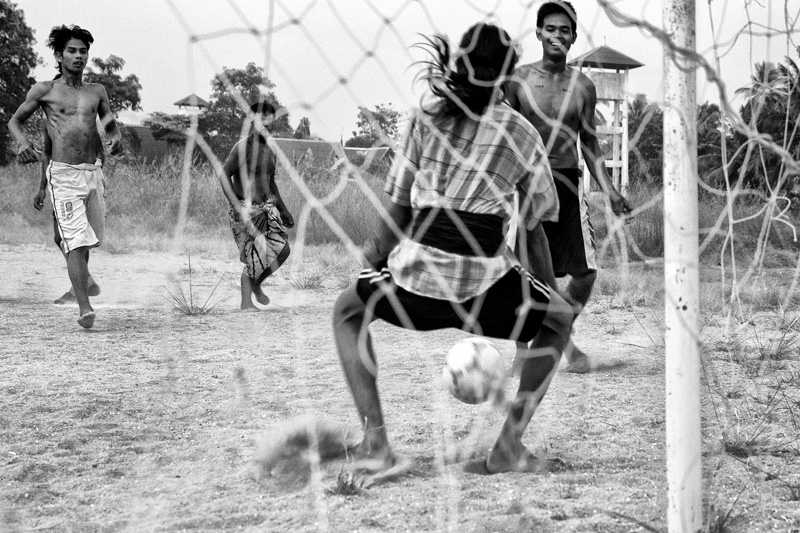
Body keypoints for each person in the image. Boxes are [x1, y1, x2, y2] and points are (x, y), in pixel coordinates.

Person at [332, 22, 573, 476]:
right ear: (508, 78)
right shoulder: (522, 133)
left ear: (458, 66)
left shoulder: (426, 118)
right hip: (487, 289)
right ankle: (508, 447)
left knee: (347, 311)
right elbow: (535, 227)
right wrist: (550, 297)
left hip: (416, 283)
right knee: (559, 320)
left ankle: (376, 442)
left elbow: (397, 217)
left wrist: (370, 264)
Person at [506, 1, 633, 373]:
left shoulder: (583, 86)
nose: (557, 35)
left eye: (565, 30)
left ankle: (558, 337)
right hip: (525, 187)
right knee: (524, 274)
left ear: (574, 36)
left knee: (585, 274)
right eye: (551, 28)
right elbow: (503, 133)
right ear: (539, 32)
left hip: (566, 183)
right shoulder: (518, 80)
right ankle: (524, 351)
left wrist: (608, 190)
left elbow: (590, 143)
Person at [8, 24, 122, 329]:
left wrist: (115, 137)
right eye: (71, 50)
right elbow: (15, 121)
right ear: (59, 55)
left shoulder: (97, 92)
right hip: (63, 175)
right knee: (72, 240)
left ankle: (82, 284)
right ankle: (84, 307)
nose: (78, 56)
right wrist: (22, 144)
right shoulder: (45, 91)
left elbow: (109, 124)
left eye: (83, 51)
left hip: (93, 174)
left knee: (88, 242)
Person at [218, 100, 294, 310]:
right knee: (256, 254)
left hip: (267, 208)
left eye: (269, 123)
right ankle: (246, 303)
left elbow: (270, 182)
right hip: (245, 209)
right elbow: (224, 175)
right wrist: (235, 205)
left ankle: (257, 284)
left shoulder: (271, 150)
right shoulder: (242, 148)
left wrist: (283, 209)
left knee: (283, 250)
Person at [35, 126, 105, 305]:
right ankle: (86, 280)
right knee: (59, 237)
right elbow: (47, 154)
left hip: (79, 182)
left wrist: (94, 178)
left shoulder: (85, 115)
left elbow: (99, 152)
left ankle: (78, 290)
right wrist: (42, 188)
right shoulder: (50, 117)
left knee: (75, 239)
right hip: (60, 182)